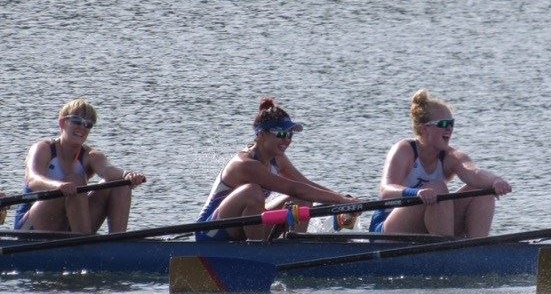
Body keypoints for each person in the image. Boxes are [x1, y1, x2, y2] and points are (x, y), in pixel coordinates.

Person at [196, 97, 353, 241]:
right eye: (281, 133)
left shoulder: (278, 159)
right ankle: (259, 251)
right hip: (210, 232)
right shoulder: (246, 164)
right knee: (253, 192)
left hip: (241, 226)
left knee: (303, 200)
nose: (286, 139)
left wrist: (343, 200)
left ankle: (295, 250)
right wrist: (340, 201)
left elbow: (305, 185)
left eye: (290, 134)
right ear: (262, 134)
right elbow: (294, 188)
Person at [370, 89, 512, 237]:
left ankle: (478, 252)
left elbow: (473, 174)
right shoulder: (404, 150)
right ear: (425, 128)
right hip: (387, 227)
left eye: (451, 123)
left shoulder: (451, 156)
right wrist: (416, 193)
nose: (449, 129)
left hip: (430, 224)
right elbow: (386, 191)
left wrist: (496, 181)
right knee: (437, 187)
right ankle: (446, 254)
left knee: (482, 191)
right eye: (443, 124)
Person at [15, 99, 146, 234]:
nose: (82, 127)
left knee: (121, 184)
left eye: (88, 124)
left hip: (70, 225)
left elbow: (108, 170)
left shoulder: (91, 155)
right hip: (31, 225)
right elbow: (33, 180)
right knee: (75, 181)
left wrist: (127, 175)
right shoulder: (44, 148)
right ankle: (84, 245)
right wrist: (58, 186)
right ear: (62, 122)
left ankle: (118, 243)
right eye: (76, 121)